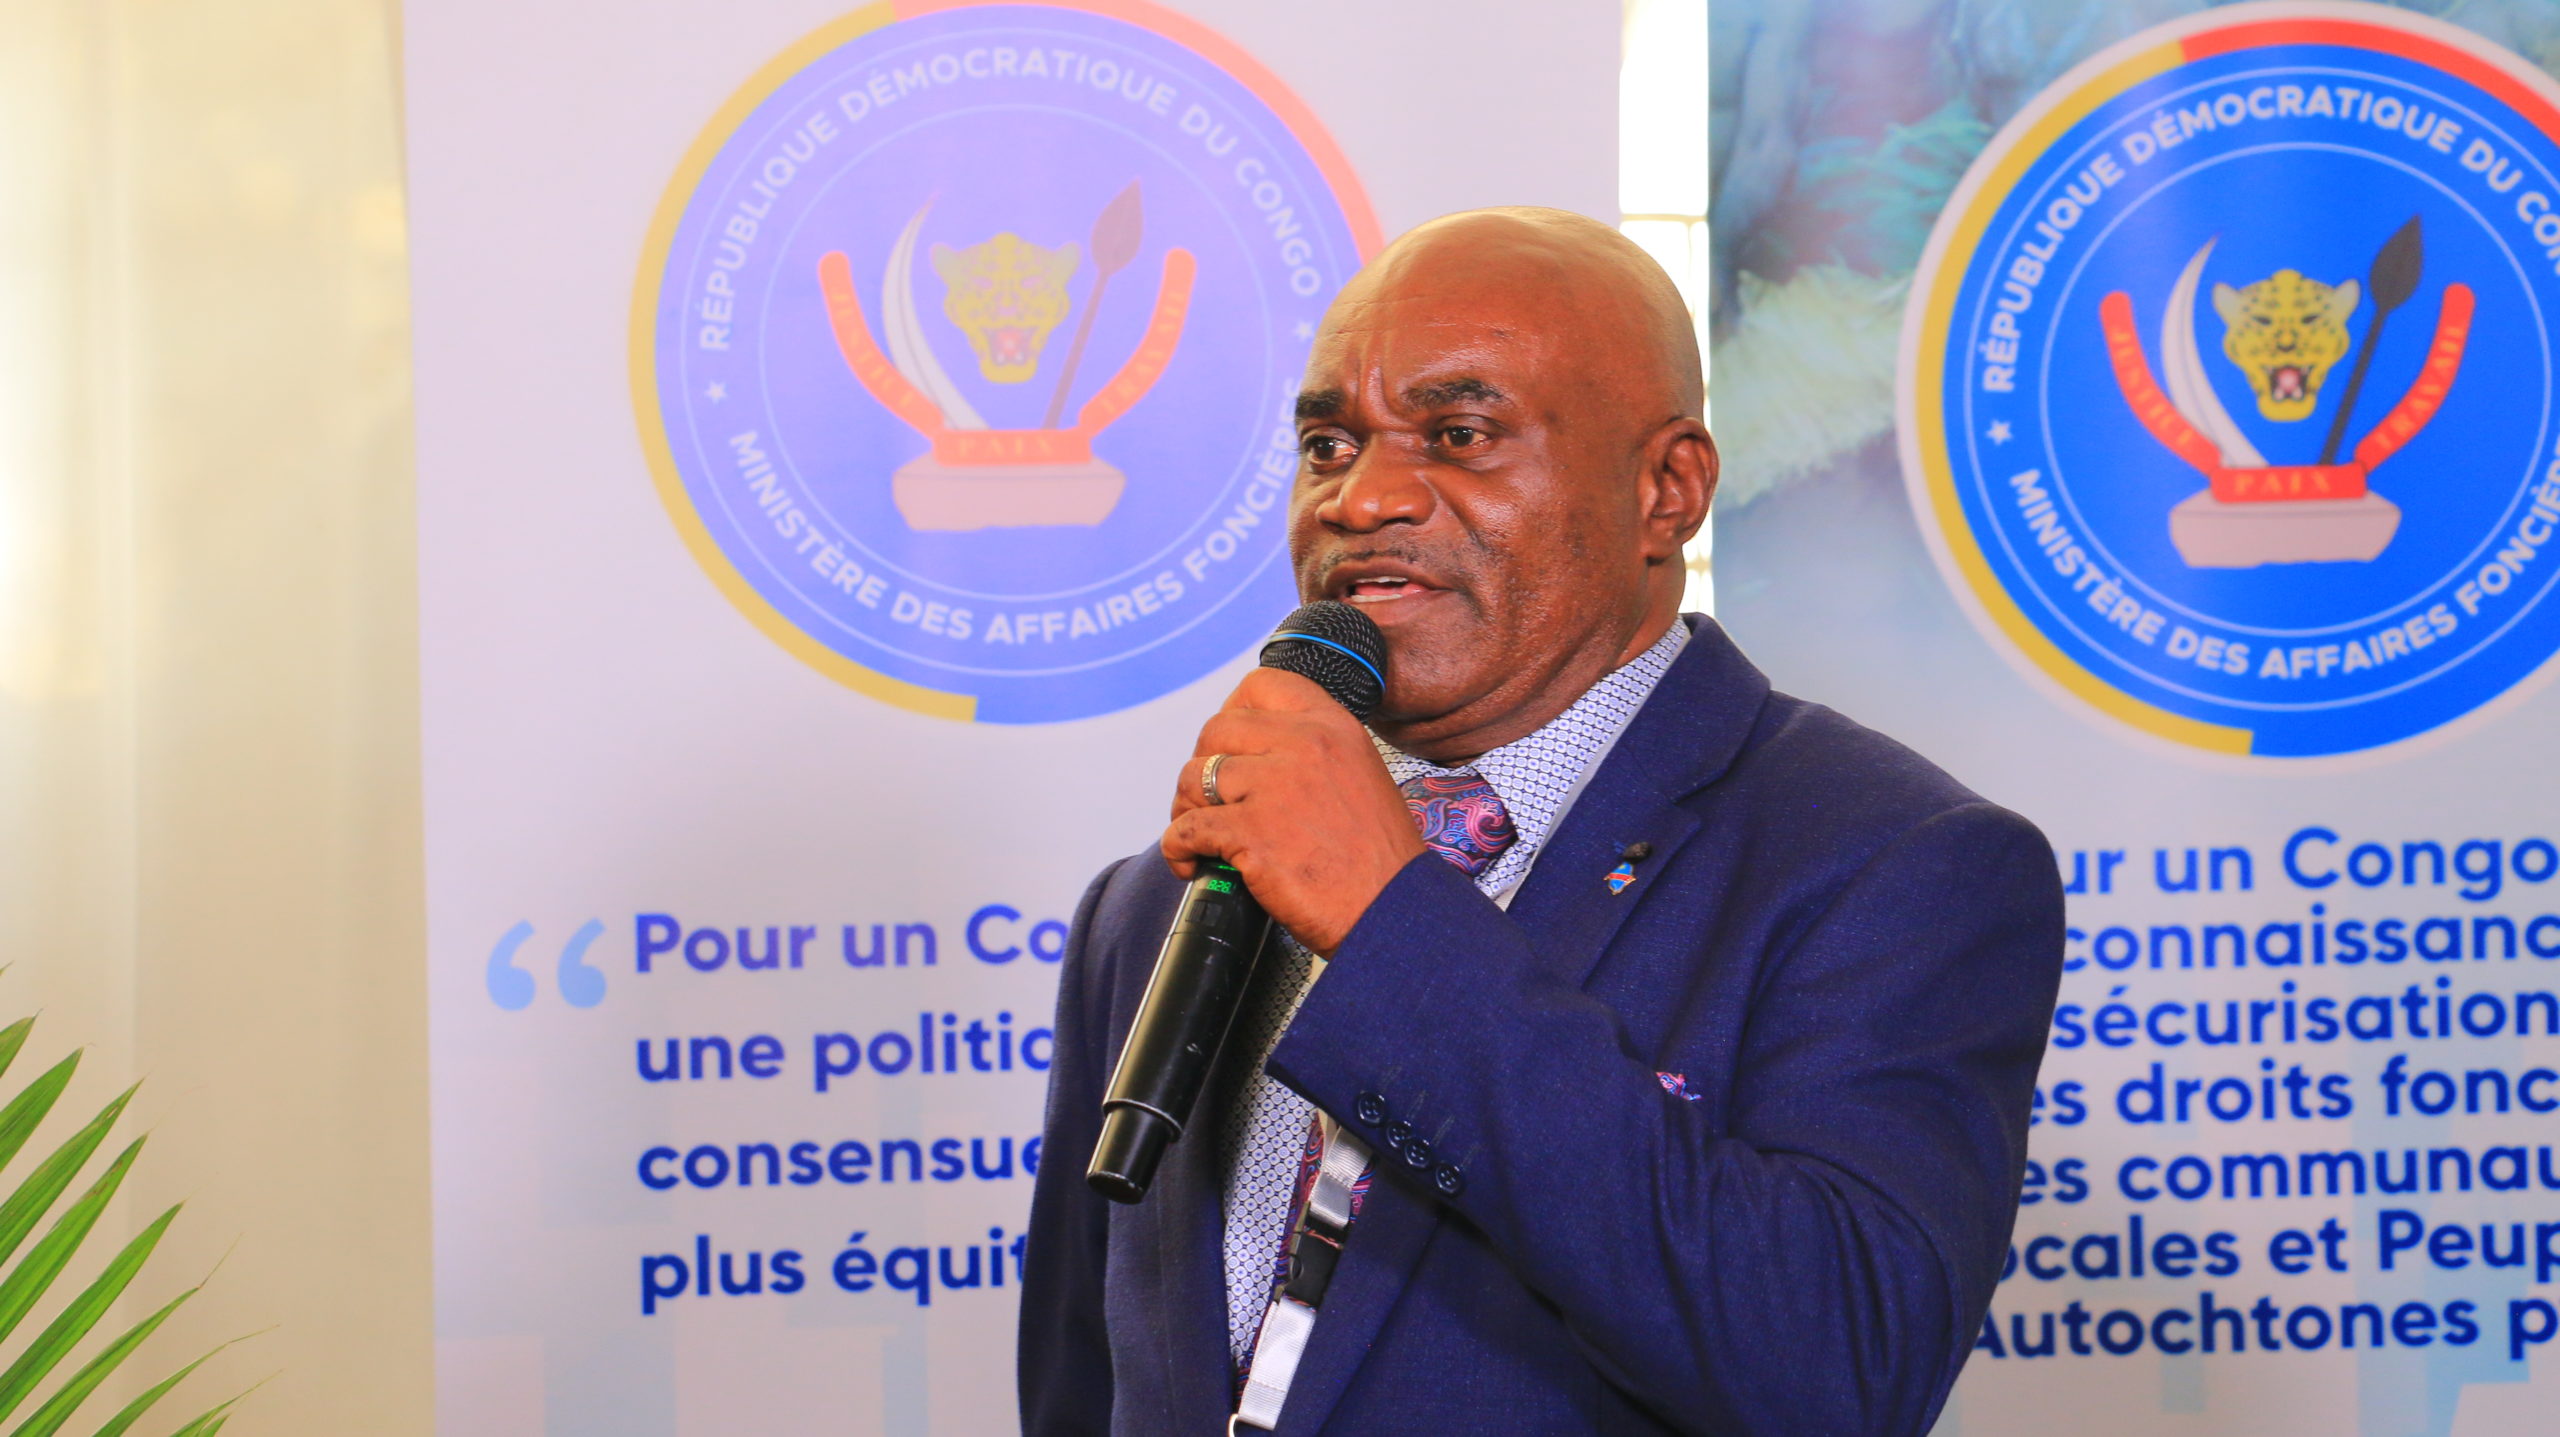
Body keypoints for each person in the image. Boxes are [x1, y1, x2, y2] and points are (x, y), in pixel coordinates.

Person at [1017, 207, 2063, 1435]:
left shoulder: (1895, 866)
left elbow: (1835, 1367)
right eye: (1326, 444)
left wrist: (1390, 921)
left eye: (1458, 435)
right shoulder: (1167, 898)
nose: (1361, 498)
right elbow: (1082, 1382)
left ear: (1667, 489)